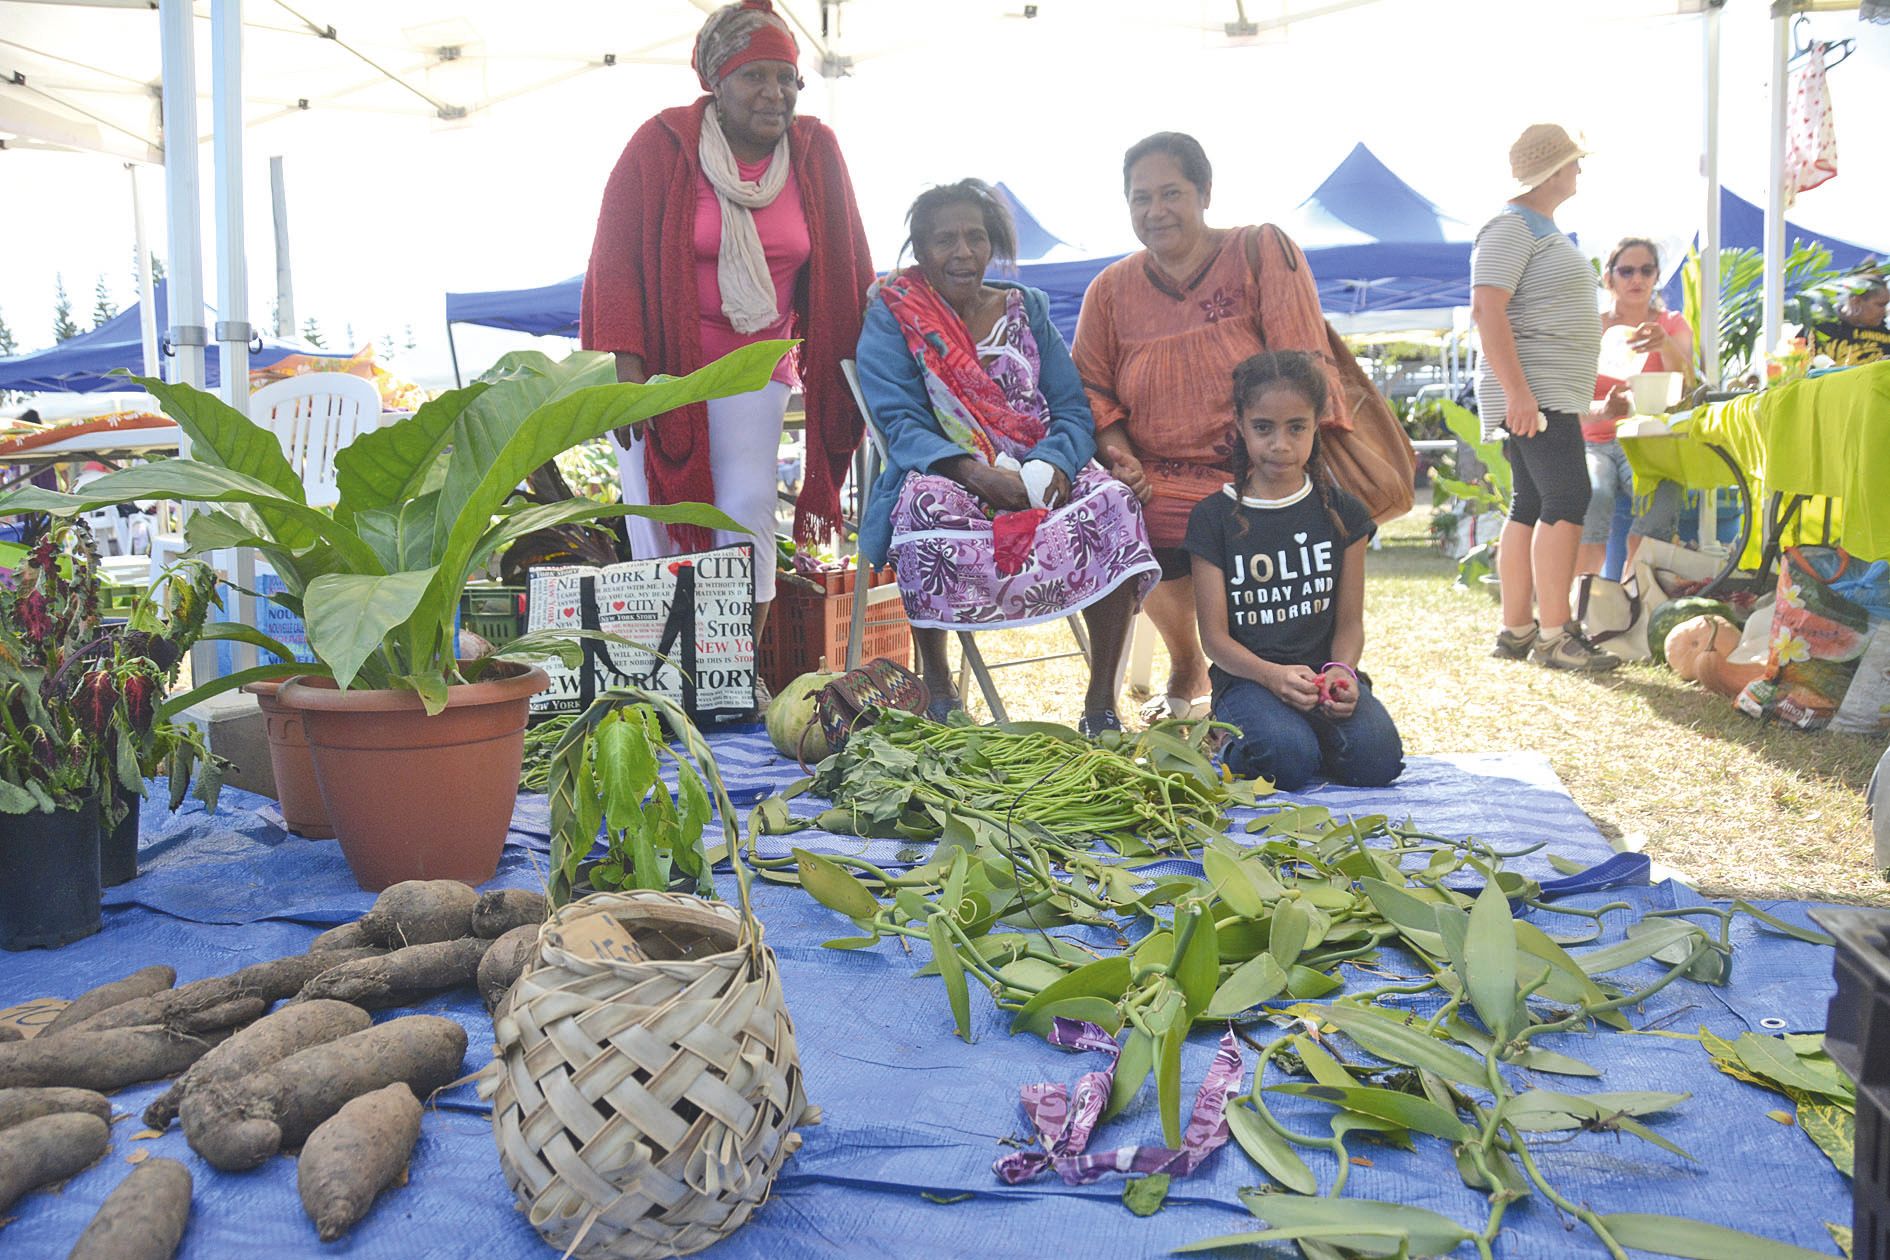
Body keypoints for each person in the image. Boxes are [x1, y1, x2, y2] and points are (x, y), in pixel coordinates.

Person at [579, 0, 876, 695]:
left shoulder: (814, 151)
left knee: (744, 504)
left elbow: (847, 262)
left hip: (757, 357)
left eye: (787, 79)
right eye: (756, 78)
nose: (775, 95)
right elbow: (614, 260)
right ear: (717, 80)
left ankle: (731, 673)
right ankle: (662, 683)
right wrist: (630, 378)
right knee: (659, 518)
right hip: (663, 366)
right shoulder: (661, 143)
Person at [856, 181, 1160, 735]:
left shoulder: (1028, 310)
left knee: (1115, 503)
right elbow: (899, 422)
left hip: (1041, 466)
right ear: (921, 252)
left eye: (975, 236)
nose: (963, 252)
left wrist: (1053, 468)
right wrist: (978, 475)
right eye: (945, 239)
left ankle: (1100, 708)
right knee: (923, 509)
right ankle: (940, 690)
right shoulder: (896, 316)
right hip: (947, 469)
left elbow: (1070, 407)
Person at [1072, 132, 1344, 723]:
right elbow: (1089, 389)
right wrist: (1119, 454)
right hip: (1154, 472)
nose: (1156, 210)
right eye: (1141, 198)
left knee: (1243, 514)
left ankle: (1275, 673)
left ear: (1206, 192)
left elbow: (1302, 366)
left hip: (1262, 461)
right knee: (1122, 515)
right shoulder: (1110, 290)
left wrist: (1273, 453)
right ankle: (1187, 661)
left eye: (1172, 192)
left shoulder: (1261, 249)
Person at [1186, 351, 1402, 790]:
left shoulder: (1344, 514)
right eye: (1263, 428)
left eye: (1296, 427)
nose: (1280, 444)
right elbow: (1214, 639)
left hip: (1321, 679)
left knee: (1378, 761)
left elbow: (1350, 622)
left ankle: (1305, 741)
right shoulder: (1213, 518)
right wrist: (1271, 675)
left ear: (1316, 425)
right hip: (1248, 680)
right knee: (1288, 761)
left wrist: (1343, 670)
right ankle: (1232, 740)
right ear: (1241, 426)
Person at [1470, 124, 1618, 672]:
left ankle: (1518, 630)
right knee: (1567, 496)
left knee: (1531, 502)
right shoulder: (1512, 228)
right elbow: (1488, 308)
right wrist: (1519, 393)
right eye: (1574, 163)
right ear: (1552, 171)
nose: (1579, 171)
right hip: (1535, 391)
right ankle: (1555, 636)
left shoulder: (1533, 228)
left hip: (1541, 390)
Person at [1578, 237, 1690, 576]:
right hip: (1593, 440)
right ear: (1609, 278)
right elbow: (1567, 397)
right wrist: (1603, 409)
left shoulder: (1671, 324)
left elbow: (1687, 387)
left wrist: (1665, 346)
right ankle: (1587, 596)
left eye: (1646, 270)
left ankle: (1632, 587)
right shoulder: (1591, 327)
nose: (1636, 279)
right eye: (1626, 271)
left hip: (1648, 439)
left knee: (1666, 489)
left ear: (1657, 276)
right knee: (1593, 493)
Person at [1812, 276, 1889, 366]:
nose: (1885, 311)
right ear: (1856, 301)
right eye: (1880, 305)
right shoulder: (1820, 328)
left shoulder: (1886, 334)